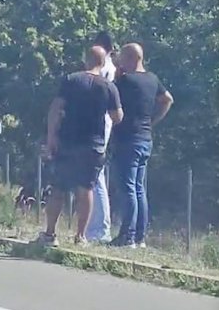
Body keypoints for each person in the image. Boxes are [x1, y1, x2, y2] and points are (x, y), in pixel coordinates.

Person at [36, 45, 122, 247]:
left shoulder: (71, 80)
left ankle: (49, 235)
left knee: (58, 188)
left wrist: (51, 137)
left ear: (85, 60)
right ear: (102, 63)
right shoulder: (108, 87)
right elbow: (117, 117)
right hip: (93, 145)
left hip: (67, 141)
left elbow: (55, 108)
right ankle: (80, 237)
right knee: (86, 190)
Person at [110, 43, 173, 248]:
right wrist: (153, 120)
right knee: (138, 188)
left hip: (128, 138)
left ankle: (127, 236)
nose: (119, 61)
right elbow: (167, 99)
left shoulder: (126, 80)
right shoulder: (152, 79)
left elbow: (110, 95)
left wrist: (117, 76)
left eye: (121, 58)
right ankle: (140, 236)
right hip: (146, 138)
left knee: (127, 187)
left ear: (130, 58)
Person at [86, 31, 118, 243]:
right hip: (102, 122)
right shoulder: (112, 66)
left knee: (95, 176)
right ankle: (97, 227)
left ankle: (100, 229)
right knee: (95, 176)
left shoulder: (105, 67)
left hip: (98, 122)